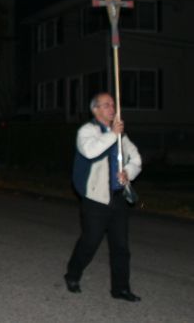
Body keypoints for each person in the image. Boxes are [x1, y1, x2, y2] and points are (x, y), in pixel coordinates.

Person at [64, 92, 142, 302]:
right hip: (95, 199)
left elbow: (136, 158)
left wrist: (128, 172)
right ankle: (72, 274)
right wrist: (112, 134)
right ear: (95, 109)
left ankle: (120, 289)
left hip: (118, 197)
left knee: (121, 247)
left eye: (113, 105)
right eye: (106, 105)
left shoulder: (121, 135)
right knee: (90, 242)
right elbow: (90, 151)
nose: (112, 109)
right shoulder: (87, 131)